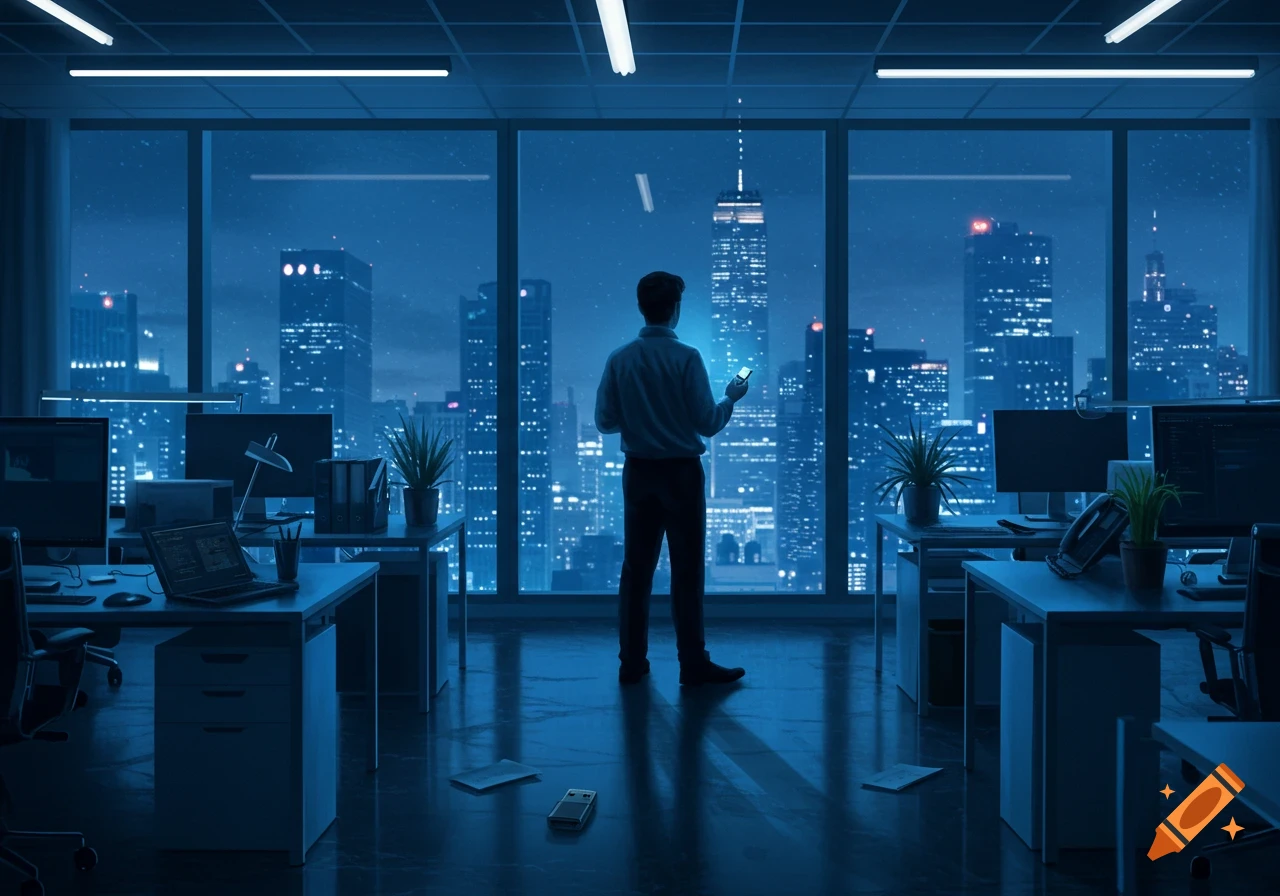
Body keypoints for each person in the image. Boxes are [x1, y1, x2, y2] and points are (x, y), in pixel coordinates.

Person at [594, 271, 749, 686]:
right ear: (675, 309)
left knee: (636, 570)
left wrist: (639, 417)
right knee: (686, 570)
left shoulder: (620, 359)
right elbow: (708, 422)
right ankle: (693, 663)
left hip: (638, 473)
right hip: (682, 474)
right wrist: (730, 398)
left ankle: (631, 663)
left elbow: (605, 421)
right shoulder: (687, 358)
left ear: (641, 307)